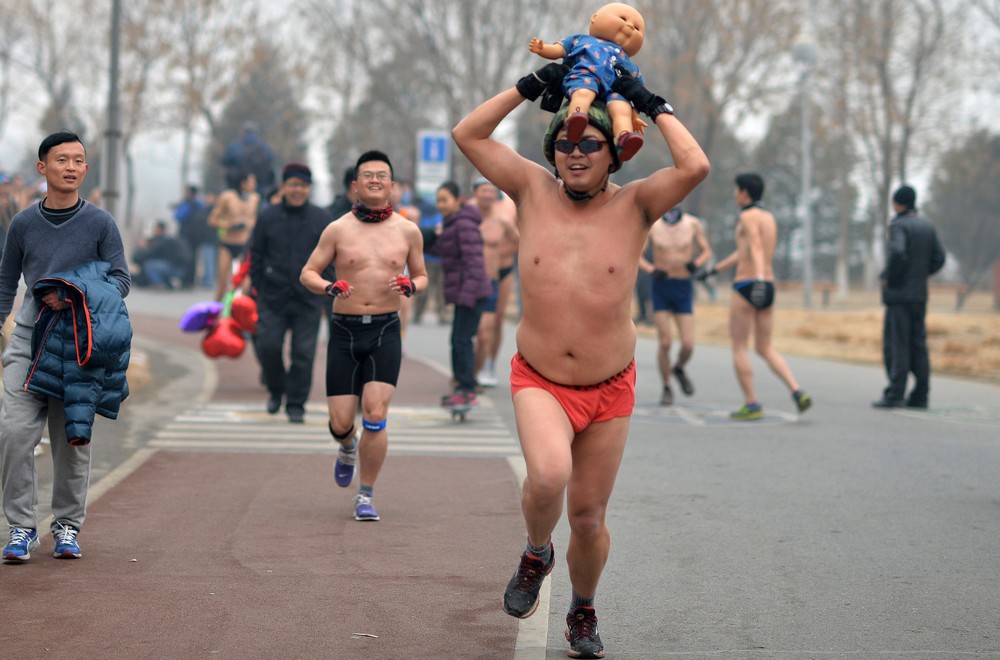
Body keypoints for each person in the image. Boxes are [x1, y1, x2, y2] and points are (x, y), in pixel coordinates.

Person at [452, 61, 709, 658]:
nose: (575, 153)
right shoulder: (530, 190)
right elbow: (468, 134)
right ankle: (537, 551)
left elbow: (695, 166)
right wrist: (528, 86)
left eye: (589, 143)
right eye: (565, 143)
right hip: (539, 377)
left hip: (610, 387)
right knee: (548, 476)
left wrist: (650, 102)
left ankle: (582, 610)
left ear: (612, 152)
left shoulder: (638, 205)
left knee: (590, 518)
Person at [0, 131, 131, 561]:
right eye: (62, 160)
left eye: (78, 160)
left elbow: (120, 280)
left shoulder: (100, 223)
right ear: (43, 168)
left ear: (85, 170)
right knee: (15, 432)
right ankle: (21, 527)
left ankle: (67, 526)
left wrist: (76, 292)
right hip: (29, 337)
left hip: (80, 341)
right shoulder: (22, 223)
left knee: (72, 438)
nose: (71, 167)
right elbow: (6, 283)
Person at [299, 150, 428, 522]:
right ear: (355, 185)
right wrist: (327, 286)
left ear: (393, 185)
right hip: (344, 332)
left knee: (375, 412)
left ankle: (366, 495)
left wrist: (411, 285)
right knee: (341, 422)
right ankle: (346, 447)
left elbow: (421, 276)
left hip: (387, 329)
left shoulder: (408, 231)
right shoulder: (337, 229)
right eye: (367, 175)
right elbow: (308, 272)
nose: (375, 180)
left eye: (382, 175)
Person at [702, 173, 812, 420]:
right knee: (765, 347)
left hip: (748, 284)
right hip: (768, 286)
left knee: (739, 347)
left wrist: (758, 277)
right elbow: (743, 252)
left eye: (736, 190)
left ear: (744, 193)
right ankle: (797, 391)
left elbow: (755, 246)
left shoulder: (747, 216)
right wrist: (712, 270)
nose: (734, 195)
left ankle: (752, 403)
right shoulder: (769, 218)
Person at [249, 163, 334, 424]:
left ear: (309, 189)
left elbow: (330, 258)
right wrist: (260, 285)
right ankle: (276, 390)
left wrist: (326, 289)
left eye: (303, 185)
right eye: (293, 185)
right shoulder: (268, 216)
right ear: (284, 187)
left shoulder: (321, 218)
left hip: (308, 298)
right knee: (269, 346)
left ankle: (296, 404)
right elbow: (257, 255)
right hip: (272, 297)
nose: (298, 190)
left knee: (303, 354)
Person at [872, 185, 946, 409]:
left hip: (899, 296)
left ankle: (895, 393)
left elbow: (897, 252)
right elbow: (939, 258)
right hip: (919, 295)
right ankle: (921, 394)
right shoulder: (927, 225)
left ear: (897, 203)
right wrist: (921, 273)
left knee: (898, 344)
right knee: (918, 344)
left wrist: (888, 277)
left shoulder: (898, 225)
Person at [425, 181, 493, 408]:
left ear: (457, 200)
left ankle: (466, 390)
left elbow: (474, 263)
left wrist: (466, 296)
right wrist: (421, 241)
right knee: (458, 340)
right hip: (466, 292)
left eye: (445, 200)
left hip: (471, 293)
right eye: (438, 200)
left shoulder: (464, 224)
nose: (441, 205)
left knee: (461, 341)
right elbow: (443, 251)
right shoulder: (452, 222)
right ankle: (463, 386)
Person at [639, 206, 713, 405]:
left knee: (688, 344)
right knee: (665, 342)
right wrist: (652, 269)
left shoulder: (692, 224)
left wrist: (696, 264)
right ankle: (666, 387)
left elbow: (706, 251)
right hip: (661, 286)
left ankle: (678, 367)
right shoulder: (654, 225)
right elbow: (638, 254)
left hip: (683, 286)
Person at [473, 180, 520, 388]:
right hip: (478, 273)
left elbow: (522, 241)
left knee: (497, 320)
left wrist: (508, 229)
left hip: (504, 268)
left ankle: (489, 364)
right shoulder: (471, 208)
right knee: (480, 326)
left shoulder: (510, 206)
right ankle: (473, 366)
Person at [208, 170, 259, 301]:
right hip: (228, 243)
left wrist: (249, 225)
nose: (255, 184)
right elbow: (212, 220)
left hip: (245, 244)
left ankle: (239, 316)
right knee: (223, 283)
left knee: (244, 284)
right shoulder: (227, 197)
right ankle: (214, 316)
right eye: (252, 181)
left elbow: (256, 219)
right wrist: (229, 225)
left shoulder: (255, 198)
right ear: (243, 182)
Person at [221, 121, 275, 197]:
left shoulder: (234, 147)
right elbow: (270, 162)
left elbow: (224, 162)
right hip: (260, 187)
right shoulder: (265, 147)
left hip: (237, 188)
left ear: (243, 132)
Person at [132, 220, 191, 289]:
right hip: (177, 267)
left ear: (159, 230)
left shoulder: (161, 241)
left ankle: (159, 284)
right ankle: (168, 283)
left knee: (150, 265)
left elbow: (147, 254)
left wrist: (143, 248)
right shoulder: (163, 240)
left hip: (173, 267)